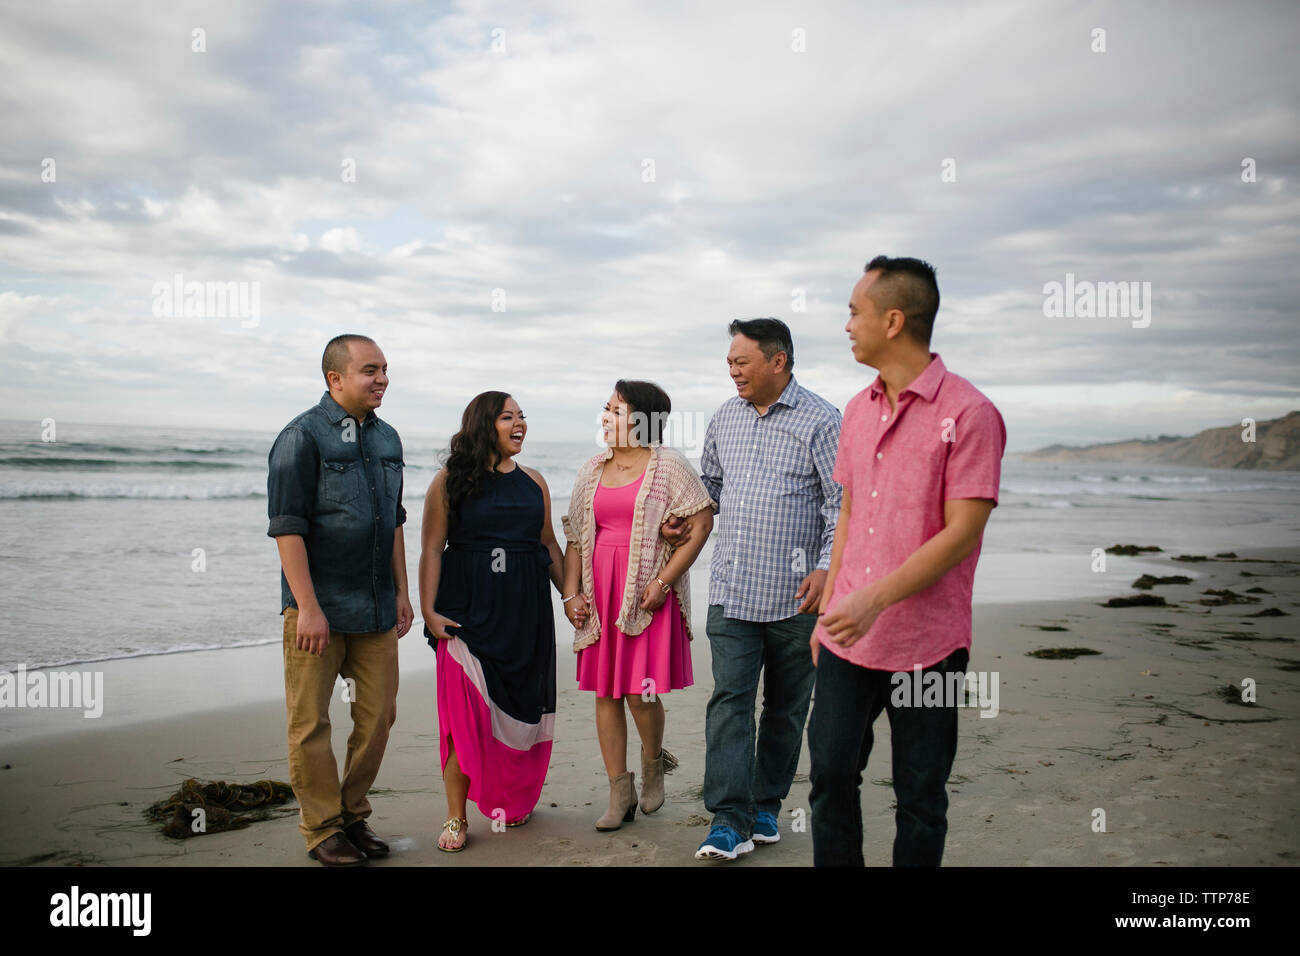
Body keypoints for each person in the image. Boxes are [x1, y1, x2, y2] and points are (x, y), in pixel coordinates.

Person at [809, 256, 1006, 867]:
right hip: (846, 637)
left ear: (893, 320)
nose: (846, 324)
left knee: (921, 796)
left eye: (853, 311)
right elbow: (845, 515)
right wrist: (833, 603)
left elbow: (963, 534)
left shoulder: (971, 414)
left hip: (930, 643)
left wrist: (875, 598)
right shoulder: (857, 409)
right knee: (830, 780)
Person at [689, 318, 843, 862]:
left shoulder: (822, 420)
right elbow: (709, 484)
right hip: (732, 586)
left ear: (778, 361)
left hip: (796, 597)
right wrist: (683, 518)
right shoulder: (724, 418)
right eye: (730, 362)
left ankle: (765, 807)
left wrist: (826, 567)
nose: (732, 371)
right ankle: (727, 820)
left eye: (741, 361)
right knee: (729, 701)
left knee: (785, 707)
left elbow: (841, 503)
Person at [266, 334, 413, 867]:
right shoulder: (300, 437)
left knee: (378, 717)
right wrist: (307, 606)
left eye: (385, 369)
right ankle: (322, 828)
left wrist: (401, 590)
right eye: (370, 370)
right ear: (335, 379)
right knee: (311, 722)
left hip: (375, 605)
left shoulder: (388, 438)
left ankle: (352, 813)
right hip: (316, 609)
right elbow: (287, 528)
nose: (382, 379)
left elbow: (394, 520)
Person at [562, 381, 715, 831]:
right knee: (606, 692)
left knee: (639, 691)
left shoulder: (668, 466)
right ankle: (619, 790)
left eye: (616, 409)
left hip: (647, 589)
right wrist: (571, 594)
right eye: (605, 409)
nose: (606, 417)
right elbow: (575, 536)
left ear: (643, 419)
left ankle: (652, 764)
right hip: (599, 589)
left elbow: (701, 521)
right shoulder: (592, 468)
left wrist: (664, 582)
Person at [419, 391, 562, 852]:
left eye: (522, 417)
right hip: (466, 616)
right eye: (508, 417)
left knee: (521, 710)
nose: (519, 424)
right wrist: (428, 610)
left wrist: (574, 597)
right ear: (485, 425)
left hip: (526, 615)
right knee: (463, 721)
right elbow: (430, 549)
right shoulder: (449, 481)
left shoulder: (533, 482)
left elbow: (549, 547)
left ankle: (511, 798)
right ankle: (456, 818)